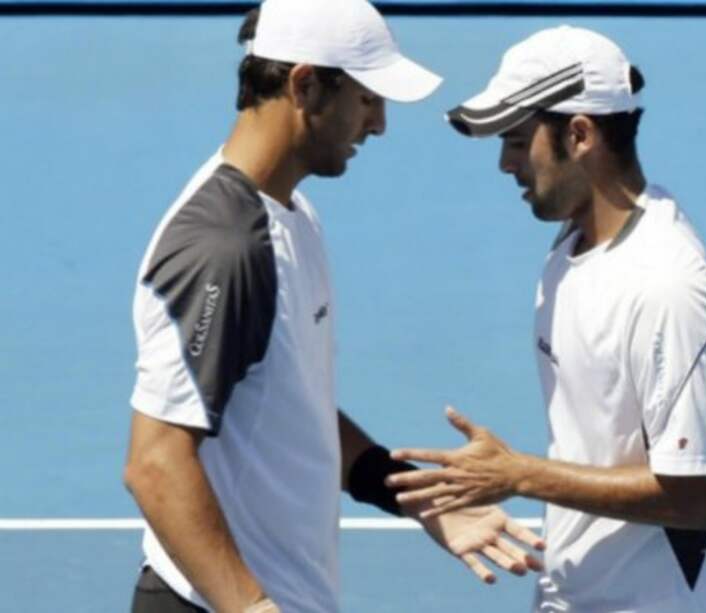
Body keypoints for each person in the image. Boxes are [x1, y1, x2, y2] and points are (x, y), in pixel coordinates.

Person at [123, 1, 544, 611]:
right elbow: (156, 463)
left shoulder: (292, 217)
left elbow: (288, 404)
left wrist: (414, 497)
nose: (377, 125)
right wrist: (254, 607)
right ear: (306, 85)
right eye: (368, 99)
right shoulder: (224, 246)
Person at [386, 26, 706, 612]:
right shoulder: (570, 246)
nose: (504, 164)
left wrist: (517, 475)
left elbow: (694, 496)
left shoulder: (667, 287)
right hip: (575, 594)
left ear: (579, 134)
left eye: (516, 140)